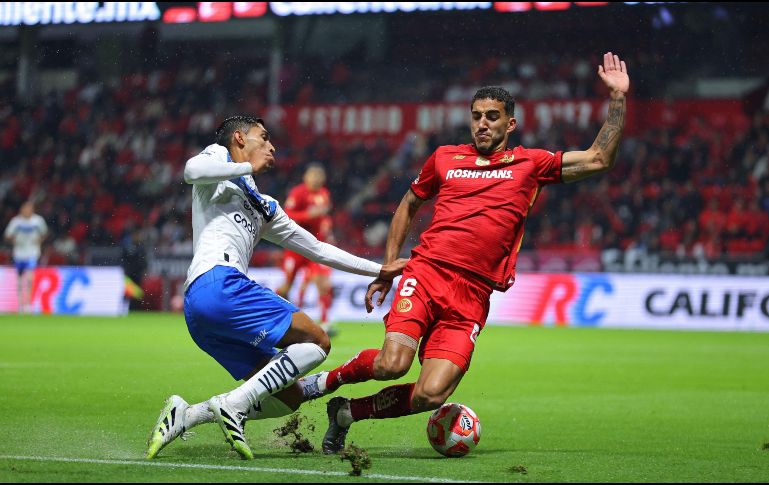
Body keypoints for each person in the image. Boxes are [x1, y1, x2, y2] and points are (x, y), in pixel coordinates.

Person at [300, 52, 630, 454]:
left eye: (492, 116)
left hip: (472, 295)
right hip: (426, 274)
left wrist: (617, 99)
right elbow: (408, 204)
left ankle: (347, 413)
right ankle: (324, 383)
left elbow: (599, 158)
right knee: (392, 364)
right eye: (476, 116)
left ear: (510, 123)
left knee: (431, 394)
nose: (482, 124)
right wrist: (389, 265)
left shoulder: (531, 164)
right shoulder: (444, 158)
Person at [145, 115, 407, 460]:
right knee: (317, 341)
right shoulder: (218, 158)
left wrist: (381, 270)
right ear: (240, 138)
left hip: (204, 313)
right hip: (217, 283)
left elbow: (317, 249)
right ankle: (233, 406)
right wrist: (244, 168)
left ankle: (188, 414)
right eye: (263, 137)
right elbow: (191, 172)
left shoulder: (265, 206)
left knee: (289, 398)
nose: (272, 146)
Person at [275, 164, 337, 335]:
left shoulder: (324, 194)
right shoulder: (298, 193)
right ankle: (273, 313)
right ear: (306, 178)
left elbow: (323, 217)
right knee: (286, 287)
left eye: (319, 178)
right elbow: (287, 215)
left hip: (315, 247)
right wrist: (307, 215)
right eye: (314, 177)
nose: (317, 181)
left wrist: (328, 233)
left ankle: (325, 322)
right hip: (295, 246)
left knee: (323, 283)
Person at [3, 201, 48, 313]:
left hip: (32, 252)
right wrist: (15, 240)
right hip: (19, 253)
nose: (27, 210)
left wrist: (39, 240)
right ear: (21, 210)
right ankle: (20, 305)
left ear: (32, 210)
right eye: (25, 208)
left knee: (29, 277)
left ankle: (28, 304)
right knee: (19, 280)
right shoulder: (16, 221)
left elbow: (45, 233)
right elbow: (7, 235)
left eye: (29, 208)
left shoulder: (38, 221)